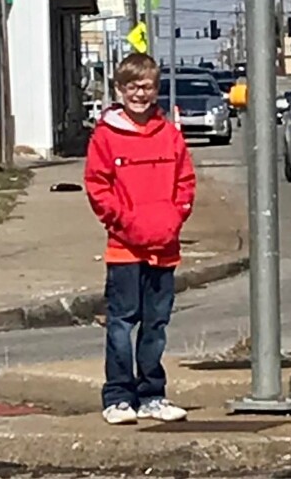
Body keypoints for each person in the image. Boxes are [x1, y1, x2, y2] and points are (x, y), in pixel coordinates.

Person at [84, 52, 196, 426]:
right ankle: (118, 397)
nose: (139, 94)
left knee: (156, 324)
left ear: (156, 89)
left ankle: (152, 395)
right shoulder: (106, 135)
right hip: (124, 248)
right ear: (120, 90)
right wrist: (123, 221)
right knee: (121, 322)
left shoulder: (170, 135)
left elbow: (186, 183)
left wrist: (174, 217)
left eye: (146, 87)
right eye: (132, 87)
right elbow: (97, 187)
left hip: (164, 247)